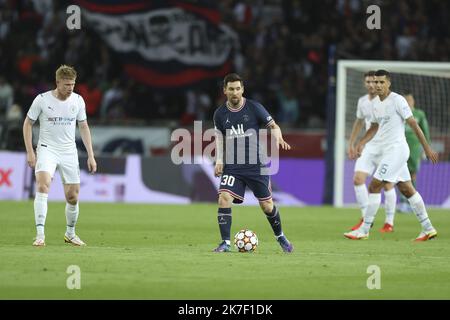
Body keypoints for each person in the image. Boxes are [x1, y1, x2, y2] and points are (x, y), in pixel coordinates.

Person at [344, 70, 438, 241]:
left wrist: (427, 148)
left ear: (388, 83)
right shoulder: (374, 105)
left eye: (381, 82)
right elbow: (373, 127)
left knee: (374, 186)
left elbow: (413, 124)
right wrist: (361, 142)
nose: (378, 85)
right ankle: (428, 228)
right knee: (406, 189)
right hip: (389, 151)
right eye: (376, 82)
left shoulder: (397, 100)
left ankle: (364, 230)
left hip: (397, 150)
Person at [212, 73, 293, 253]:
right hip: (233, 166)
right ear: (225, 90)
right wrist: (219, 160)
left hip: (256, 165)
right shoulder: (219, 114)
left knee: (267, 205)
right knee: (223, 198)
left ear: (243, 89)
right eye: (231, 89)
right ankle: (225, 243)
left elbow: (273, 126)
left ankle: (280, 236)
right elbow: (219, 138)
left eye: (238, 88)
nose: (235, 92)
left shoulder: (254, 108)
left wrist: (278, 138)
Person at [23, 65, 97, 247]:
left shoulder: (78, 101)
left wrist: (91, 155)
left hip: (69, 151)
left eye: (72, 84)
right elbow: (27, 124)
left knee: (72, 196)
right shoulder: (42, 100)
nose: (70, 88)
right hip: (47, 149)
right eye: (66, 85)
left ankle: (70, 234)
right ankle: (40, 235)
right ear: (57, 83)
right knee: (43, 185)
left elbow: (84, 127)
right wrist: (30, 151)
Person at [347, 71, 397, 233]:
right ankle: (365, 218)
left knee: (388, 184)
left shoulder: (386, 100)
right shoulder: (362, 101)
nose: (371, 84)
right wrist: (352, 143)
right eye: (367, 82)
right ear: (365, 83)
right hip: (370, 146)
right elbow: (359, 121)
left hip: (386, 147)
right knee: (358, 179)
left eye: (373, 82)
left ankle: (389, 222)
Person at [397, 91, 431, 213]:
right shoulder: (399, 112)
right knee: (399, 175)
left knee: (412, 175)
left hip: (415, 149)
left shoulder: (419, 114)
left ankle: (411, 203)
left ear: (413, 101)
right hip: (400, 148)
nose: (408, 102)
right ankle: (403, 202)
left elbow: (425, 131)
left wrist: (426, 148)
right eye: (406, 100)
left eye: (410, 100)